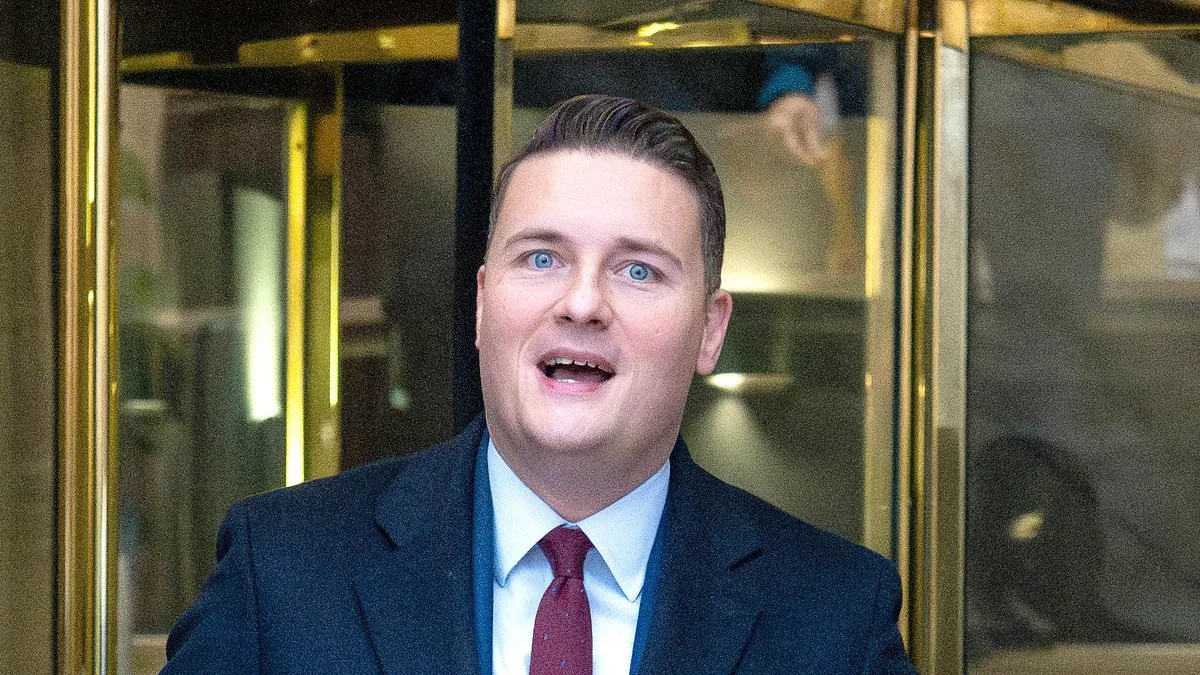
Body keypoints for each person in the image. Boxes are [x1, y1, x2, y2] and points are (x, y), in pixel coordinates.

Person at [163, 94, 915, 673]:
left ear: (711, 329)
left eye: (638, 270)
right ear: (482, 302)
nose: (582, 303)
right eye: (543, 258)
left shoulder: (835, 617)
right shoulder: (283, 571)